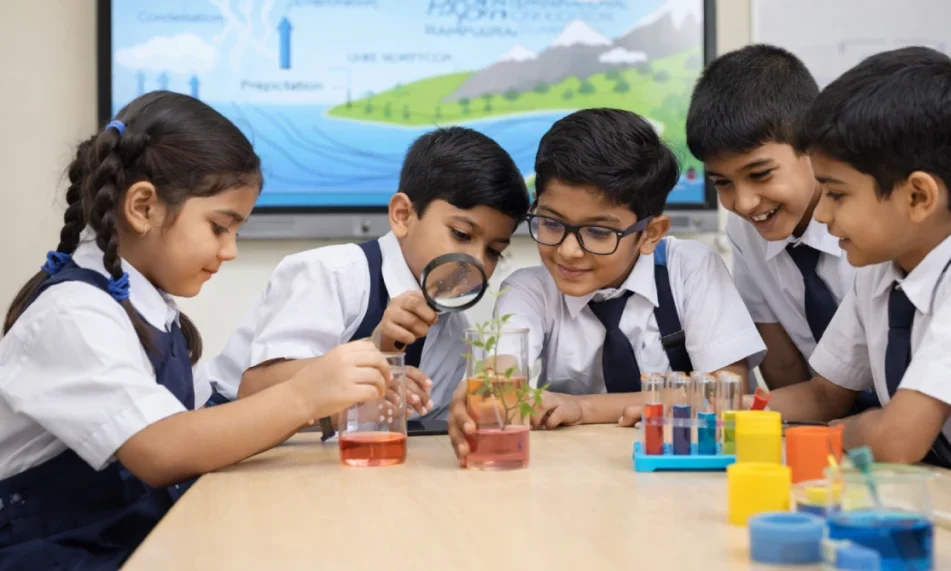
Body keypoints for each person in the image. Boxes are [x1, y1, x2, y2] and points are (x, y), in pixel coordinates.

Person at [0, 92, 392, 568]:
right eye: (219, 227)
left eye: (237, 233)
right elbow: (162, 449)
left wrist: (333, 406)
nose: (230, 251)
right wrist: (302, 397)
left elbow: (210, 424)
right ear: (143, 207)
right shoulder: (74, 314)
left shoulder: (154, 307)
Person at [447, 108, 766, 465]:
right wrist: (488, 393)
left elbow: (725, 394)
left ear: (649, 234)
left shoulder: (690, 269)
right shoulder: (528, 290)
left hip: (679, 472)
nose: (568, 250)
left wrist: (583, 407)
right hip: (577, 474)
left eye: (599, 232)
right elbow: (504, 367)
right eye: (551, 223)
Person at [758, 47, 951, 472]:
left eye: (837, 194)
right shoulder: (884, 270)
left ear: (918, 197)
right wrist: (719, 419)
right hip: (945, 496)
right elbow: (824, 395)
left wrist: (837, 432)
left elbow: (897, 440)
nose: (823, 215)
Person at [207, 127, 531, 422]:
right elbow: (256, 389)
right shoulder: (330, 275)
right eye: (461, 234)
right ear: (403, 215)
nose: (475, 260)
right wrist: (376, 349)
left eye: (494, 251)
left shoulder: (455, 332)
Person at [685, 44, 856, 390]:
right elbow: (782, 360)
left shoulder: (871, 223)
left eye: (761, 174)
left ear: (813, 146)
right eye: (723, 183)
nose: (745, 203)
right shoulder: (745, 229)